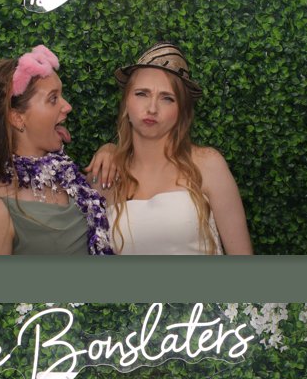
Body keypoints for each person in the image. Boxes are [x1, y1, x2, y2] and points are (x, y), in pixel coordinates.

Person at [87, 44, 253, 255]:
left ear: (181, 110)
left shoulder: (207, 164)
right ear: (126, 102)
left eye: (167, 98)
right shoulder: (106, 174)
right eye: (142, 94)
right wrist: (110, 149)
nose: (152, 108)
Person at [0, 44, 113, 256]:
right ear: (17, 118)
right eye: (53, 98)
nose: (67, 106)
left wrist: (112, 151)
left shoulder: (73, 181)